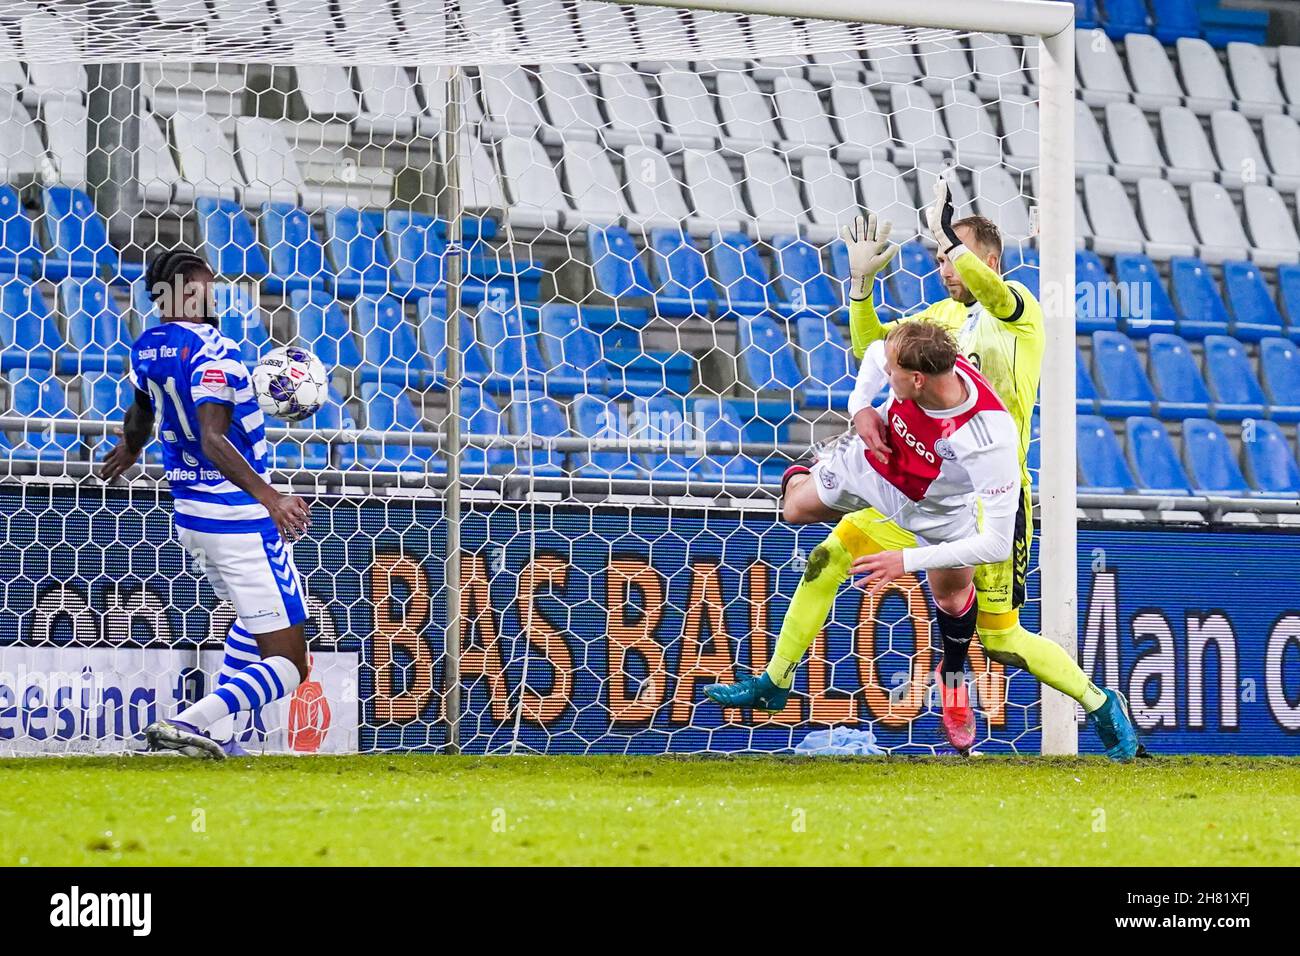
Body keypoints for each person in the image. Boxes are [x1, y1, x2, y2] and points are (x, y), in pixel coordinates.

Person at [99, 250, 312, 759]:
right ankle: (183, 725)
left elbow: (142, 407)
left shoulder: (146, 347)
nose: (214, 293)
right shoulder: (213, 351)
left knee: (252, 618)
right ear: (187, 290)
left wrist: (133, 445)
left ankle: (217, 736)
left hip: (193, 518)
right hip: (238, 520)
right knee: (292, 664)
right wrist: (271, 496)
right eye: (207, 285)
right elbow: (212, 437)